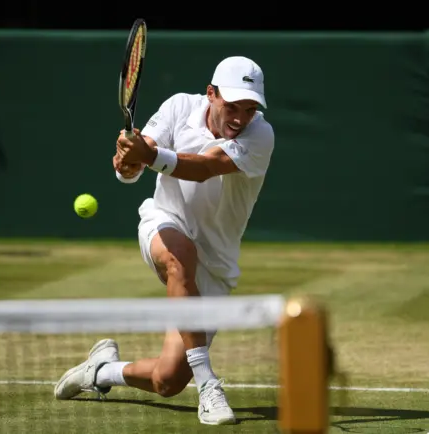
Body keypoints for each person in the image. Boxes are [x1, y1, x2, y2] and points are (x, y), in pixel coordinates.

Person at [54, 56, 275, 426]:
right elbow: (143, 153)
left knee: (168, 379)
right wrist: (130, 162)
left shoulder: (260, 135)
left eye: (250, 109)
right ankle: (209, 386)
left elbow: (205, 167)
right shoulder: (179, 107)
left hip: (216, 263)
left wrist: (147, 155)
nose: (240, 118)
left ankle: (101, 371)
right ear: (211, 95)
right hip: (164, 222)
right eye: (232, 106)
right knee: (179, 257)